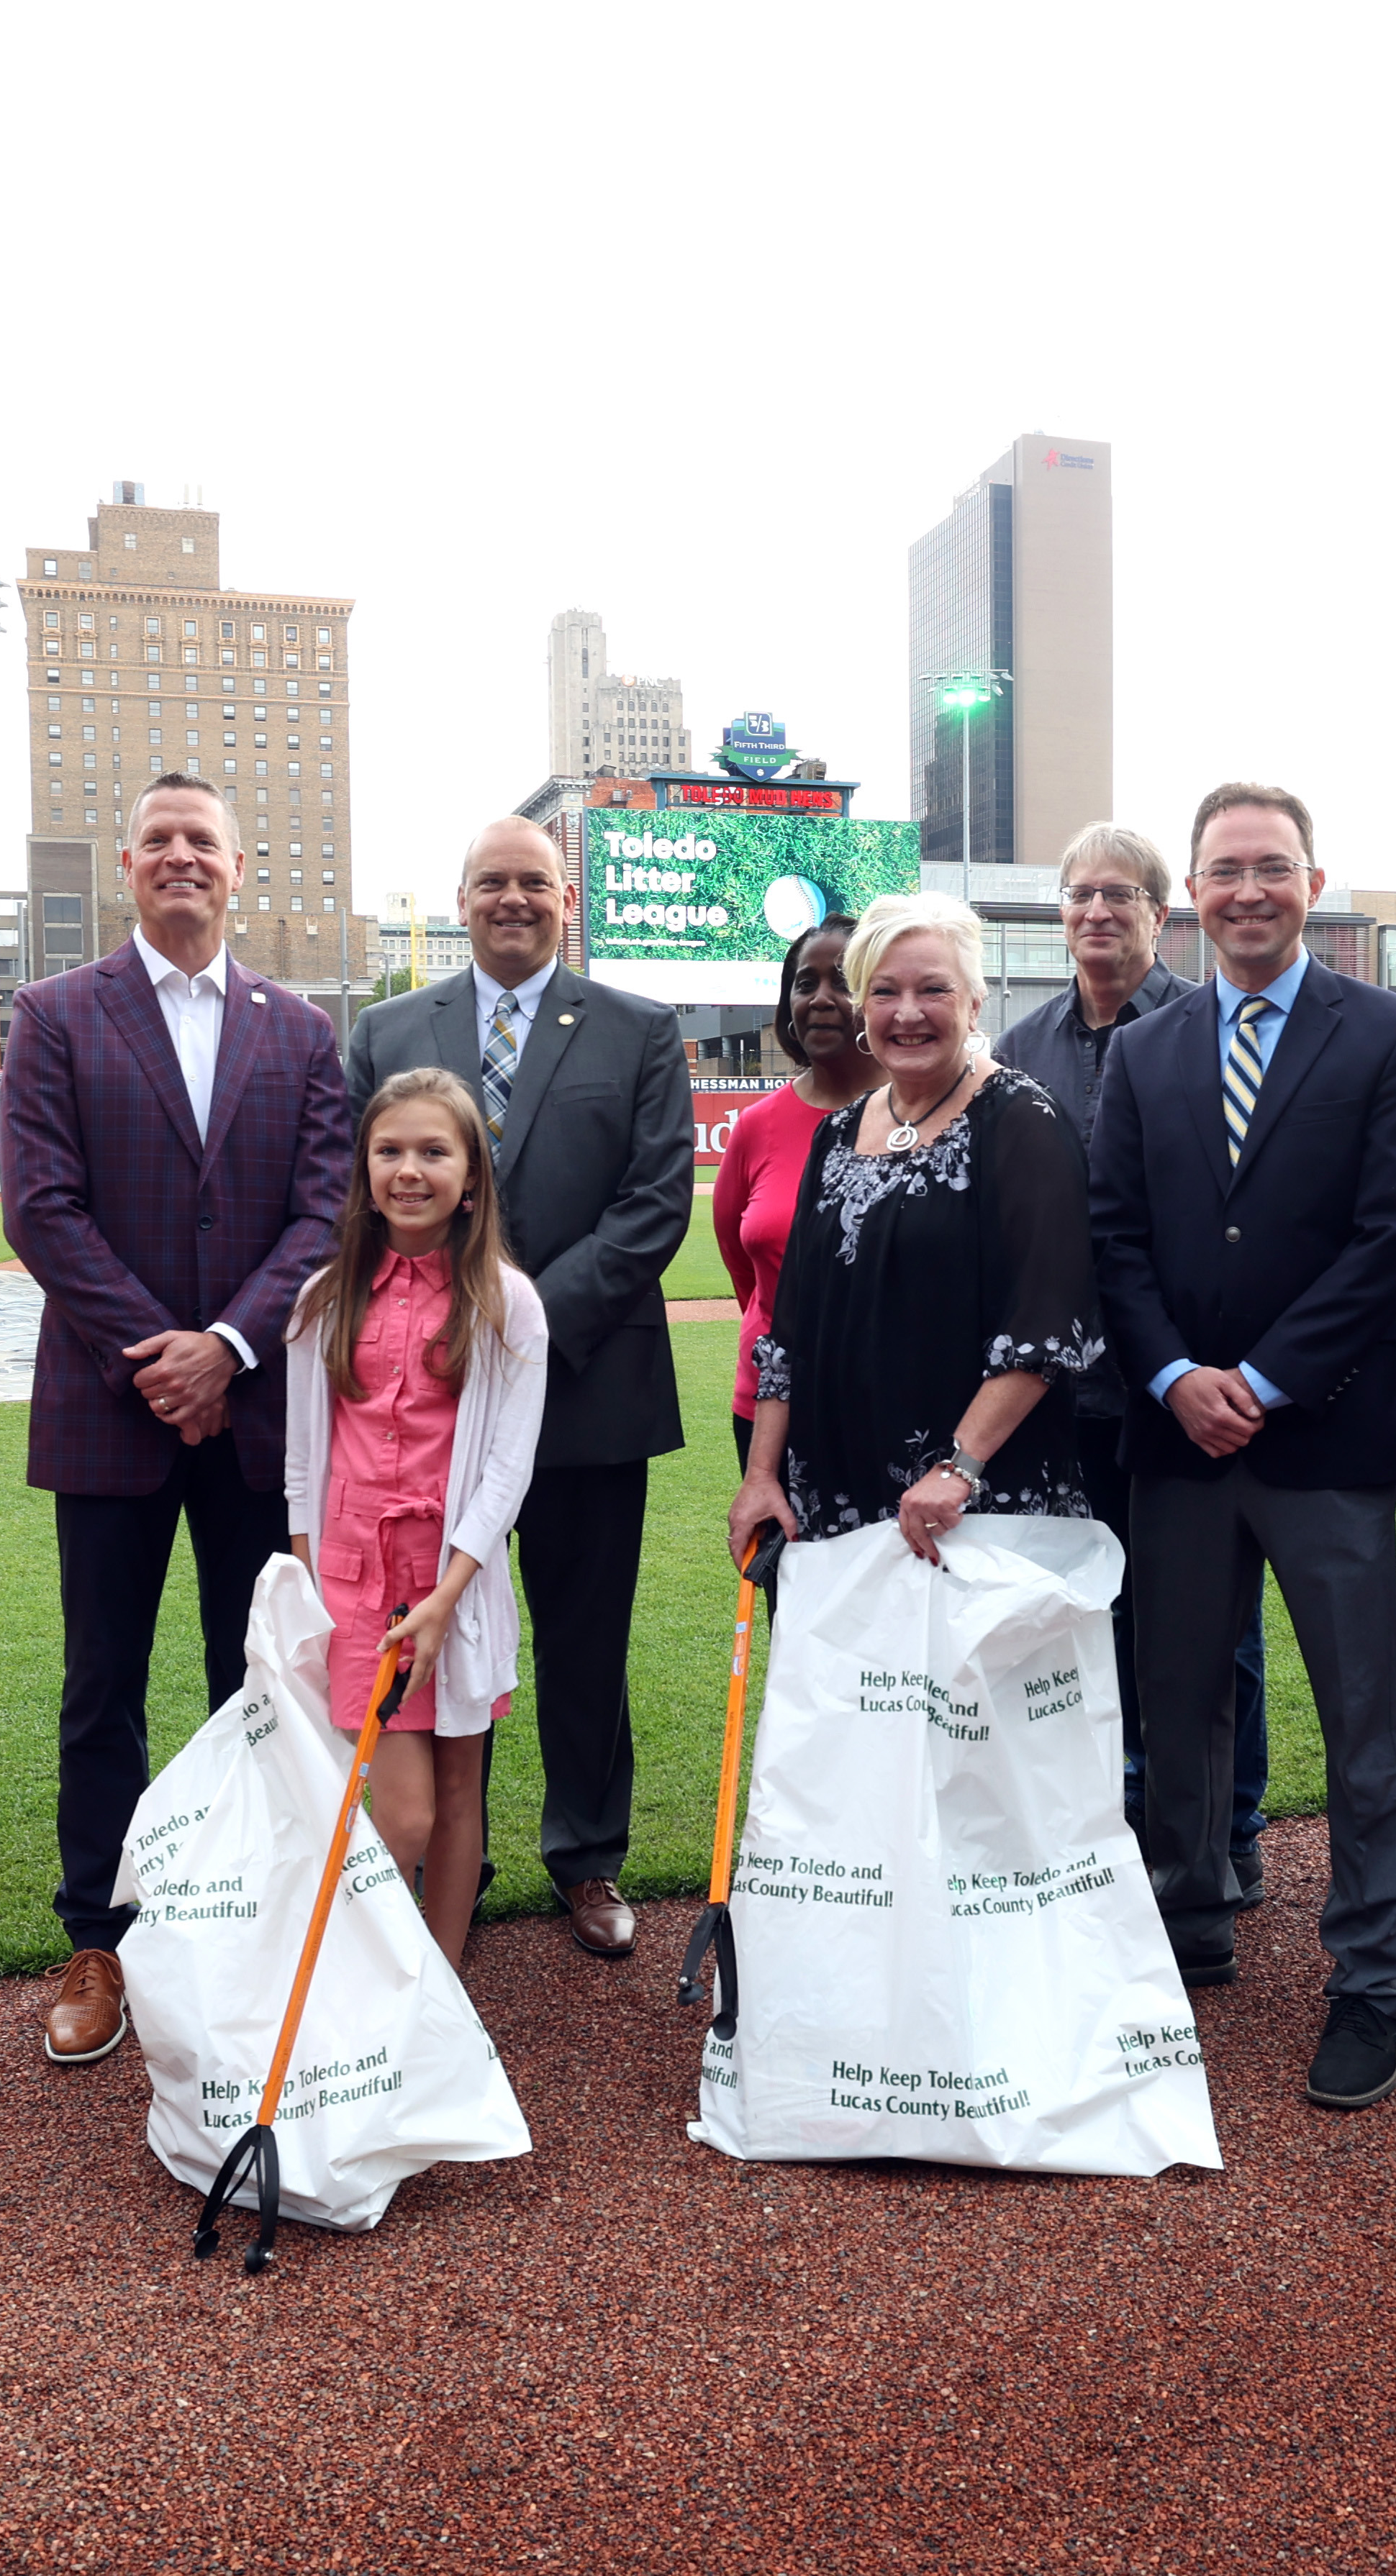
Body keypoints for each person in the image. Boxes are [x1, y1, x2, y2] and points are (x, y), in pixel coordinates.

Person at [1090, 783, 1396, 2113]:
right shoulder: (1147, 1049)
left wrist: (1266, 1378)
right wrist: (1176, 1375)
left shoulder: (1390, 1034)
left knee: (1360, 1719)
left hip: (1326, 1435)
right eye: (1226, 869)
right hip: (1177, 1440)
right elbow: (1114, 1234)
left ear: (1311, 882)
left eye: (1272, 867)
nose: (1248, 889)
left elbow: (1391, 1234)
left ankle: (1368, 1978)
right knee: (1177, 1701)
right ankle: (1188, 1923)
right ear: (1190, 890)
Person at [1, 773, 353, 2070]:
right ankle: (98, 1938)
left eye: (202, 839)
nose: (180, 856)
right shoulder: (54, 1013)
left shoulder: (300, 1030)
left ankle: (237, 1926)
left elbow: (324, 1212)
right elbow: (41, 1208)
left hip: (253, 1412)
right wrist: (162, 1356)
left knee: (249, 1682)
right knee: (102, 1684)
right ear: (129, 867)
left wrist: (229, 1347)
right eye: (158, 840)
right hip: (111, 1407)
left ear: (238, 866)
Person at [345, 817, 694, 1960]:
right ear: (460, 898)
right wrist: (445, 1333)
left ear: (566, 900)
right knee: (440, 1636)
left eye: (534, 883)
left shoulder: (640, 1028)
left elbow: (653, 1206)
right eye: (491, 881)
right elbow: (358, 1193)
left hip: (590, 1389)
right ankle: (460, 1852)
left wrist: (514, 1329)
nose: (513, 899)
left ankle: (587, 1857)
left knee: (585, 1642)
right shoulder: (390, 1029)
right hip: (428, 1410)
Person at [997, 825, 1273, 1901]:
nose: (1097, 912)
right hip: (1063, 1397)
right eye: (1079, 895)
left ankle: (1229, 1828)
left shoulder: (1208, 1028)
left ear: (1163, 914)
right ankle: (1117, 1822)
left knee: (1210, 1625)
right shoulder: (1022, 1044)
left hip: (1183, 1381)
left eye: (1120, 895)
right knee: (1081, 1618)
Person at [725, 892, 1100, 1570]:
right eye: (885, 992)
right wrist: (760, 1477)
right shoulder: (838, 1135)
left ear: (974, 1003)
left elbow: (1047, 1327)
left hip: (974, 1504)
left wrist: (959, 1468)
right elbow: (789, 1330)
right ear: (864, 1009)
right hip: (832, 1493)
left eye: (933, 989)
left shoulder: (1022, 1120)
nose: (907, 1012)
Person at [284, 1068, 550, 1968]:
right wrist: (308, 1587)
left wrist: (448, 1594)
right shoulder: (324, 1300)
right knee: (402, 1818)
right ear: (363, 1172)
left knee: (460, 1791)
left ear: (471, 1177)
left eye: (435, 1151)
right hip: (356, 1582)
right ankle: (373, 1981)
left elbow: (508, 1466)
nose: (409, 1170)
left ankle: (440, 1987)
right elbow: (302, 1463)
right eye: (389, 1151)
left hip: (455, 1582)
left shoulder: (507, 1302)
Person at [712, 914, 877, 1466]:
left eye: (843, 982)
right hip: (768, 1409)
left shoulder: (926, 1116)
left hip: (890, 1405)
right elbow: (745, 1271)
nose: (821, 999)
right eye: (806, 983)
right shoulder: (755, 1127)